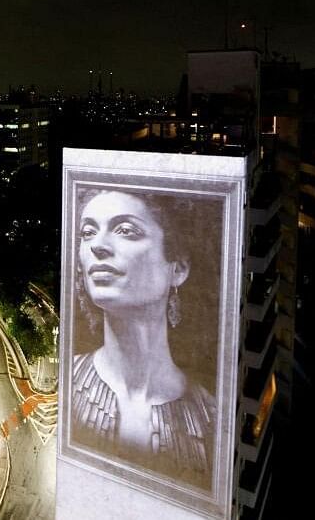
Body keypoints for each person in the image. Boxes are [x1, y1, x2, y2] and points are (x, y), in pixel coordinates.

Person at [69, 189, 216, 488]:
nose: (98, 245)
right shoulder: (63, 384)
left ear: (179, 267)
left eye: (125, 230)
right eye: (87, 232)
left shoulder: (213, 420)